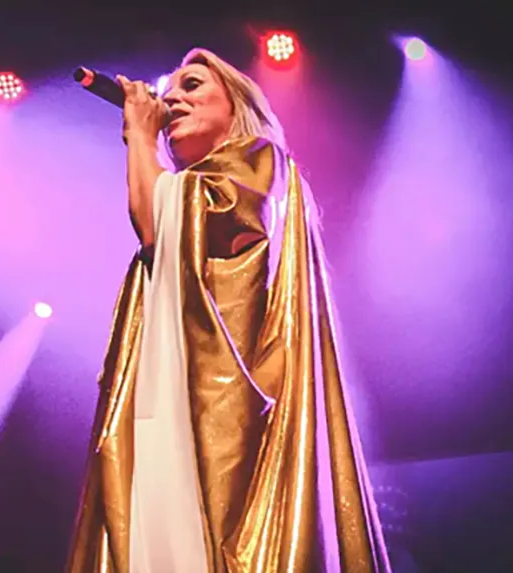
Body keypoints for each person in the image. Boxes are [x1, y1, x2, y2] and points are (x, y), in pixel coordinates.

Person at [65, 48, 392, 573]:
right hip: (175, 399)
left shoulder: (257, 161)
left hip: (224, 418)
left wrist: (140, 137)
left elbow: (157, 223)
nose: (172, 97)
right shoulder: (193, 188)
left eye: (191, 85)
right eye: (170, 89)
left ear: (236, 104)